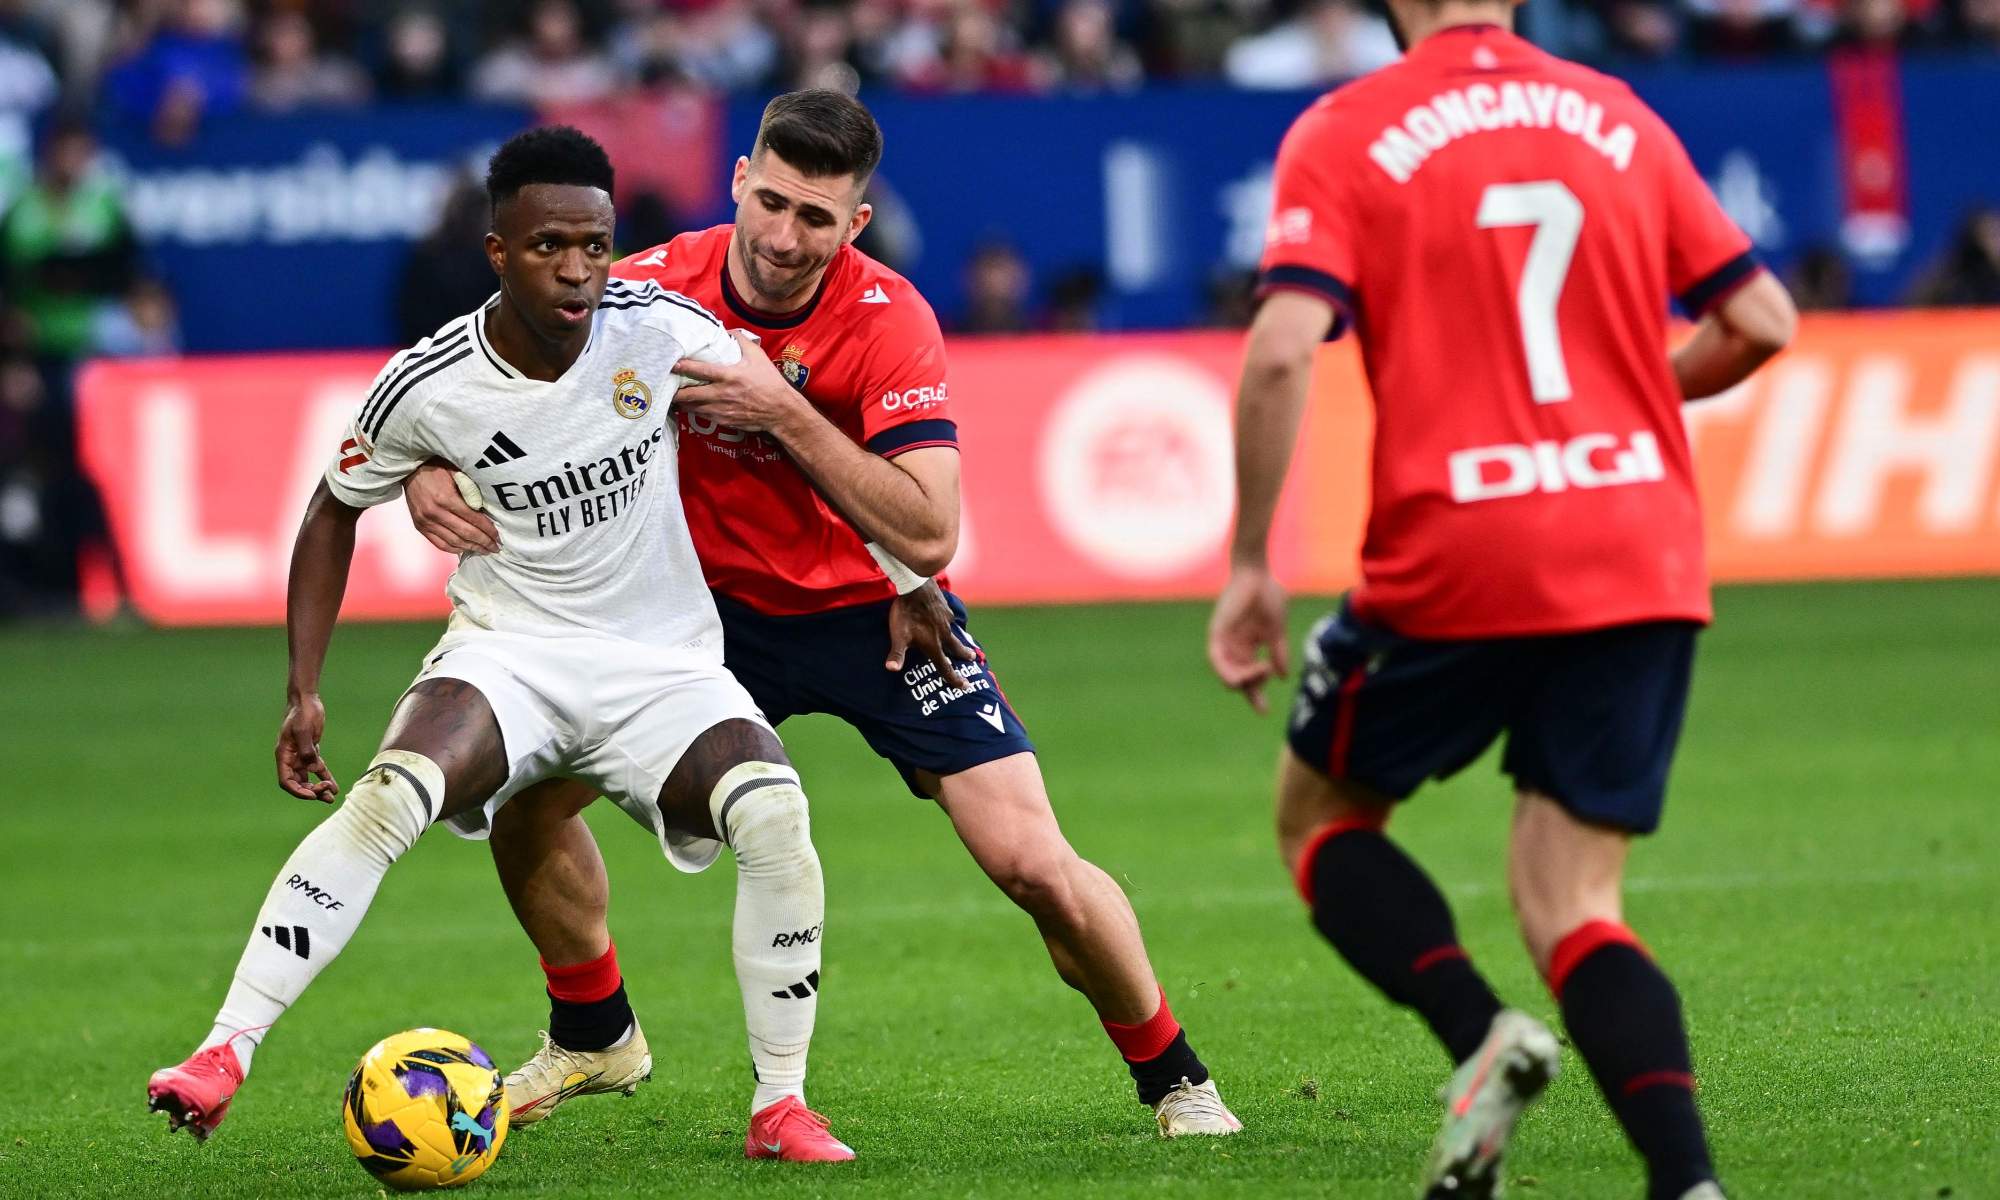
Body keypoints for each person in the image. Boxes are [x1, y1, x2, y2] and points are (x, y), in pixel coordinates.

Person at [404, 89, 1243, 1140]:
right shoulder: (653, 286)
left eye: (816, 219)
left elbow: (929, 531)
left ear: (854, 226)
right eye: (771, 203)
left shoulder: (889, 321)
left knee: (1032, 862)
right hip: (702, 625)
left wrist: (781, 409)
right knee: (525, 803)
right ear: (738, 185)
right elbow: (483, 365)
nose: (784, 237)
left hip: (879, 614)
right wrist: (424, 464)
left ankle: (1176, 1079)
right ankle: (593, 1032)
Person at [145, 126, 851, 1163]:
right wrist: (304, 689)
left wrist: (902, 562)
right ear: (498, 251)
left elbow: (785, 399)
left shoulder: (655, 326)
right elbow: (330, 510)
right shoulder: (428, 383)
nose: (575, 269)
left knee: (777, 815)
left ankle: (779, 1106)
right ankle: (221, 1054)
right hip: (508, 652)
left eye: (595, 245)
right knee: (388, 794)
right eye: (548, 245)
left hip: (662, 663)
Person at [1207, 3, 1797, 1198]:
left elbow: (1278, 351)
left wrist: (1250, 561)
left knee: (1318, 819)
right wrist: (1619, 411)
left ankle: (1479, 1035)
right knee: (1573, 902)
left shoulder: (1348, 125)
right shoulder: (1616, 114)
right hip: (1637, 543)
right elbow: (1760, 321)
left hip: (1458, 544)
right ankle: (1687, 1183)